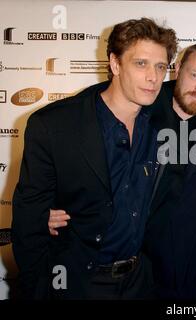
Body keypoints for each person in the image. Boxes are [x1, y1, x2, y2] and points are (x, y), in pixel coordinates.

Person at [48, 43, 196, 300]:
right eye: (194, 75)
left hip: (189, 262)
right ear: (177, 69)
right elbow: (79, 117)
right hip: (137, 258)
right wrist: (47, 206)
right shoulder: (142, 103)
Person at [11, 18, 178, 299]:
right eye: (141, 64)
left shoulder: (162, 125)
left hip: (139, 283)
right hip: (77, 283)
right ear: (115, 64)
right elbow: (28, 223)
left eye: (161, 67)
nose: (153, 76)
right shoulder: (54, 125)